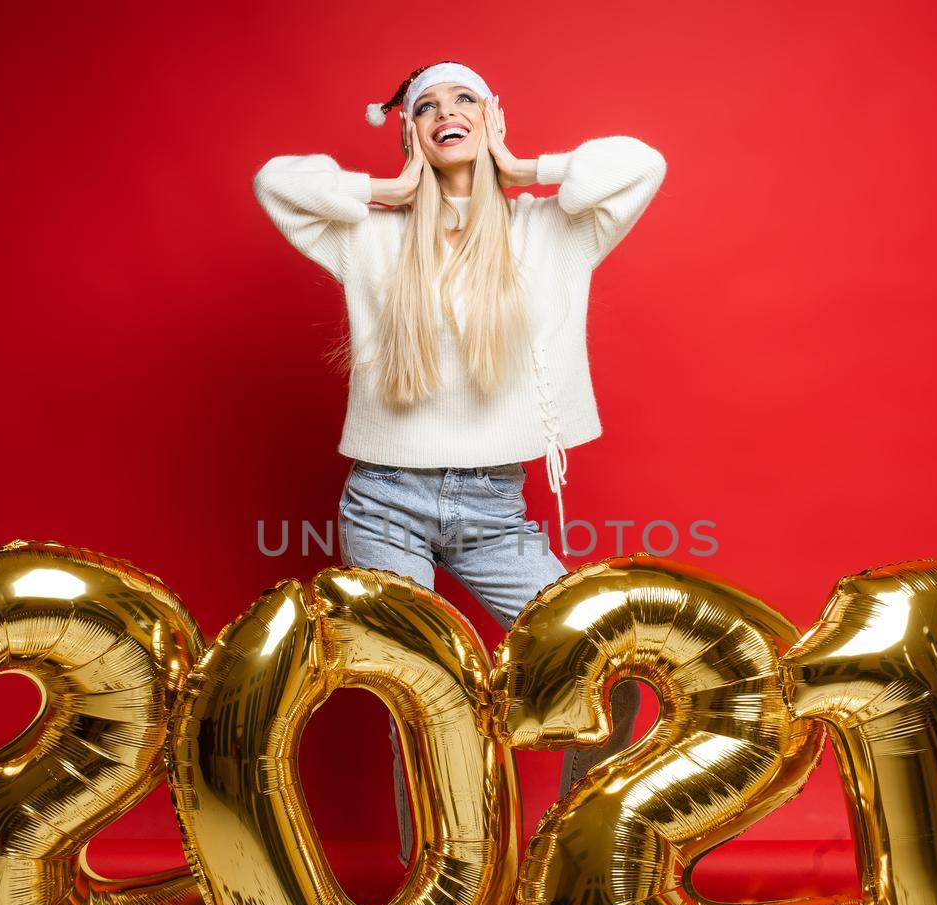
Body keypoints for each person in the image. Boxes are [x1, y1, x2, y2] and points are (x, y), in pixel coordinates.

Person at [253, 60, 666, 864]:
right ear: (409, 128)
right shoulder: (368, 236)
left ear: (493, 115)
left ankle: (571, 862)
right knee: (423, 699)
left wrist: (523, 170)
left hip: (494, 513)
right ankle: (435, 903)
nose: (447, 112)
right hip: (383, 503)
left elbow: (644, 162)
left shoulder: (551, 230)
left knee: (605, 668)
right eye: (425, 106)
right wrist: (390, 189)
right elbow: (275, 179)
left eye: (464, 98)